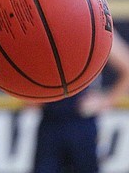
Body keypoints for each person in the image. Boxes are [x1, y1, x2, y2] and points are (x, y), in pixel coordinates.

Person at [32, 29, 129, 173]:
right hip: (51, 120)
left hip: (82, 121)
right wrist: (32, 94)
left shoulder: (93, 23)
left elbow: (126, 67)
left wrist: (105, 101)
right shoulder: (43, 24)